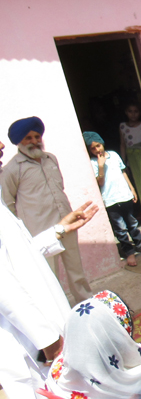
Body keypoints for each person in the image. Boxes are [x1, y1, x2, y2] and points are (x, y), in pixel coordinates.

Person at [0, 175, 100, 399]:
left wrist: (58, 230)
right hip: (35, 348)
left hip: (45, 339)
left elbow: (21, 259)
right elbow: (5, 287)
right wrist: (48, 341)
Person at [3, 117, 93, 302]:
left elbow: (59, 187)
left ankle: (86, 303)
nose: (34, 141)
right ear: (19, 141)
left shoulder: (51, 159)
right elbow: (8, 203)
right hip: (39, 231)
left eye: (37, 136)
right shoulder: (12, 169)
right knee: (50, 276)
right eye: (28, 138)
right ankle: (61, 312)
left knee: (75, 269)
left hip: (66, 222)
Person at [84, 131, 141, 266]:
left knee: (132, 224)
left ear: (102, 144)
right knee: (120, 229)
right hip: (110, 200)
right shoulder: (93, 163)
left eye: (98, 146)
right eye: (92, 148)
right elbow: (100, 182)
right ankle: (129, 252)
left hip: (124, 196)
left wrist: (132, 189)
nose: (96, 150)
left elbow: (123, 172)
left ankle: (140, 245)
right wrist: (100, 165)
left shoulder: (115, 155)